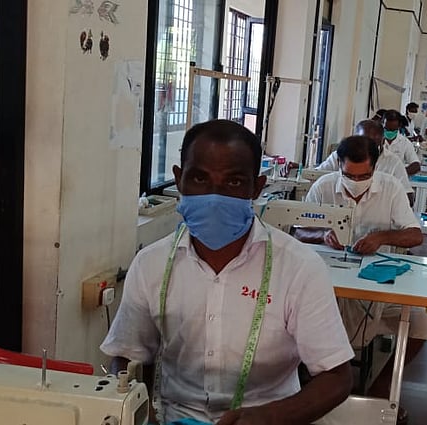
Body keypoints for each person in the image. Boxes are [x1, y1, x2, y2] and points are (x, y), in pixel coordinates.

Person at [101, 120, 354, 424]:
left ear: (256, 187)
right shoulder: (150, 264)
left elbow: (337, 377)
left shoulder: (300, 268)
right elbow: (125, 357)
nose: (214, 195)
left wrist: (271, 417)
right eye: (199, 179)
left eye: (233, 182)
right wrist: (137, 408)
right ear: (180, 181)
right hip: (174, 417)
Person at [296, 135, 427, 424]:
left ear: (375, 167)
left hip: (373, 286)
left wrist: (382, 237)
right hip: (327, 284)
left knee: (419, 323)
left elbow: (415, 235)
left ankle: (380, 393)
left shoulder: (390, 190)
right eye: (349, 175)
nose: (356, 182)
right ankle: (309, 385)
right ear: (338, 166)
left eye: (365, 175)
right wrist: (321, 235)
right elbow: (298, 229)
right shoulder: (324, 187)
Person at [316, 120, 413, 204]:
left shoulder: (393, 162)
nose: (366, 148)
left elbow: (408, 197)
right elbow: (315, 176)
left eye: (372, 144)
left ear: (382, 141)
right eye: (361, 143)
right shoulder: (340, 156)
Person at [382, 109, 421, 176]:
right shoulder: (376, 140)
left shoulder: (404, 143)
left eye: (392, 130)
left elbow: (416, 165)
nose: (389, 132)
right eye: (387, 129)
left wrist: (399, 173)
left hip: (396, 182)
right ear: (382, 124)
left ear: (399, 126)